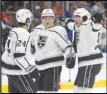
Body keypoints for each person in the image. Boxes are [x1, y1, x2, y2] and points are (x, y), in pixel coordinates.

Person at [30, 9, 76, 92]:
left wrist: (71, 56)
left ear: (53, 19)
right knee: (38, 91)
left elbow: (67, 46)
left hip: (53, 66)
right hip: (39, 67)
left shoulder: (59, 30)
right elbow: (29, 43)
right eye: (45, 18)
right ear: (41, 19)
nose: (47, 20)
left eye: (50, 18)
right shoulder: (36, 30)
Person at [64, 8, 104, 93]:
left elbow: (97, 26)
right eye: (74, 17)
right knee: (76, 89)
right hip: (84, 62)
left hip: (91, 62)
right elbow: (71, 25)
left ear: (85, 17)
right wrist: (66, 21)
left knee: (84, 90)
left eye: (78, 17)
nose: (75, 19)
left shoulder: (90, 24)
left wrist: (97, 19)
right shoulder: (78, 26)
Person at [1, 9, 40, 93]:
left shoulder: (13, 31)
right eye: (30, 18)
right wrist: (31, 69)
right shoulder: (23, 33)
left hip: (9, 71)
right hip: (18, 71)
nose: (31, 21)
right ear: (27, 20)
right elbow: (18, 56)